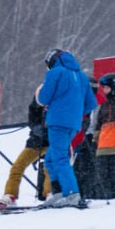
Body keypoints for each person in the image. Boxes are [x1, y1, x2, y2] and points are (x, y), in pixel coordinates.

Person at [36, 48, 98, 208]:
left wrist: (55, 104)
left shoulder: (55, 73)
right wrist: (75, 112)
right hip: (74, 124)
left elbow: (43, 98)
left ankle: (71, 194)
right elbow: (91, 103)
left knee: (60, 158)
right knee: (51, 158)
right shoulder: (82, 76)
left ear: (52, 61)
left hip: (57, 121)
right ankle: (59, 193)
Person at [0, 97, 52, 207]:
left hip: (53, 140)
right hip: (36, 142)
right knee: (17, 166)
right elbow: (32, 114)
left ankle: (49, 194)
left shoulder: (61, 94)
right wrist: (36, 128)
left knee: (49, 167)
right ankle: (10, 195)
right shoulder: (40, 94)